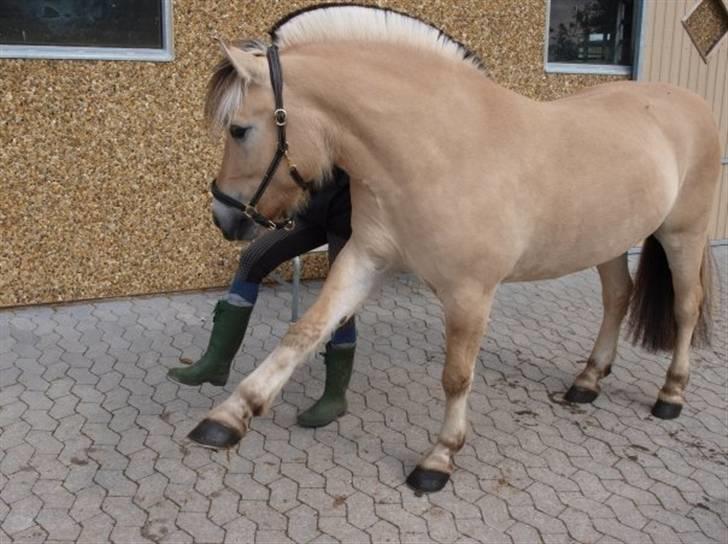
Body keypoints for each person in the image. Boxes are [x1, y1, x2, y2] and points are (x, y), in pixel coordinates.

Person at [167, 168, 355, 428]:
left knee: (340, 297)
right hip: (313, 209)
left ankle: (335, 396)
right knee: (252, 259)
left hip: (350, 219)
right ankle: (217, 361)